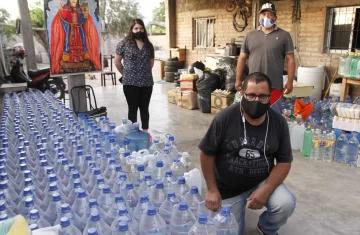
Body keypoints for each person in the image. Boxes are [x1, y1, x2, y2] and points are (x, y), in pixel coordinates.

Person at [199, 72, 295, 235]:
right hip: (227, 187)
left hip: (261, 180)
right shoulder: (225, 117)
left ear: (270, 97)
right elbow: (207, 153)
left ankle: (267, 227)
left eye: (263, 96)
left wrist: (267, 188)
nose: (256, 101)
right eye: (251, 95)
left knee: (285, 204)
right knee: (227, 232)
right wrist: (212, 189)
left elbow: (284, 161)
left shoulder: (278, 122)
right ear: (242, 94)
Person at [235, 3, 296, 114]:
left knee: (273, 116)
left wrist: (290, 82)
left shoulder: (284, 35)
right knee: (252, 115)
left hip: (274, 86)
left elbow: (291, 59)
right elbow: (242, 58)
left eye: (270, 14)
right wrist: (238, 80)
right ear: (259, 16)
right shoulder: (250, 35)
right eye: (263, 14)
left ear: (275, 18)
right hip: (253, 86)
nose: (266, 17)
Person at [115, 19, 155, 132]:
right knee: (132, 109)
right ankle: (133, 132)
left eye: (141, 28)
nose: (139, 30)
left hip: (146, 82)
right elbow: (117, 62)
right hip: (130, 83)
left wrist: (143, 72)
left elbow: (151, 62)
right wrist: (126, 74)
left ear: (144, 29)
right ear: (131, 30)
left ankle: (146, 131)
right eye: (136, 28)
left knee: (144, 108)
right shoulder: (124, 43)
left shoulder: (149, 45)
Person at [50, 0, 101, 74]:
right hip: (70, 30)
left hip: (78, 29)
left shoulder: (80, 8)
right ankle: (68, 57)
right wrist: (67, 11)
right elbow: (64, 18)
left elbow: (83, 19)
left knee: (82, 40)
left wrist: (84, 14)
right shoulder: (65, 7)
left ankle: (81, 58)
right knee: (68, 41)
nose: (73, 0)